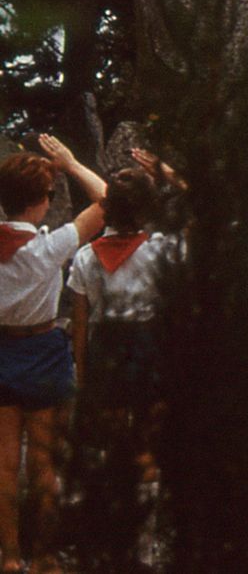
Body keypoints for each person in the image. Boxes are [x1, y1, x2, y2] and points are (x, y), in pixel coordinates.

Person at [0, 137, 106, 573]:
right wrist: (71, 163)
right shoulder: (50, 247)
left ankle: (9, 556)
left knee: (5, 465)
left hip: (2, 349)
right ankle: (44, 556)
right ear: (43, 201)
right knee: (43, 465)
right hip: (42, 350)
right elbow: (108, 200)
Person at [68, 167, 169, 428]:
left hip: (105, 345)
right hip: (149, 341)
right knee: (149, 427)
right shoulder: (160, 249)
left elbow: (80, 322)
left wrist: (82, 373)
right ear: (147, 209)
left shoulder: (86, 257)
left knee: (112, 430)